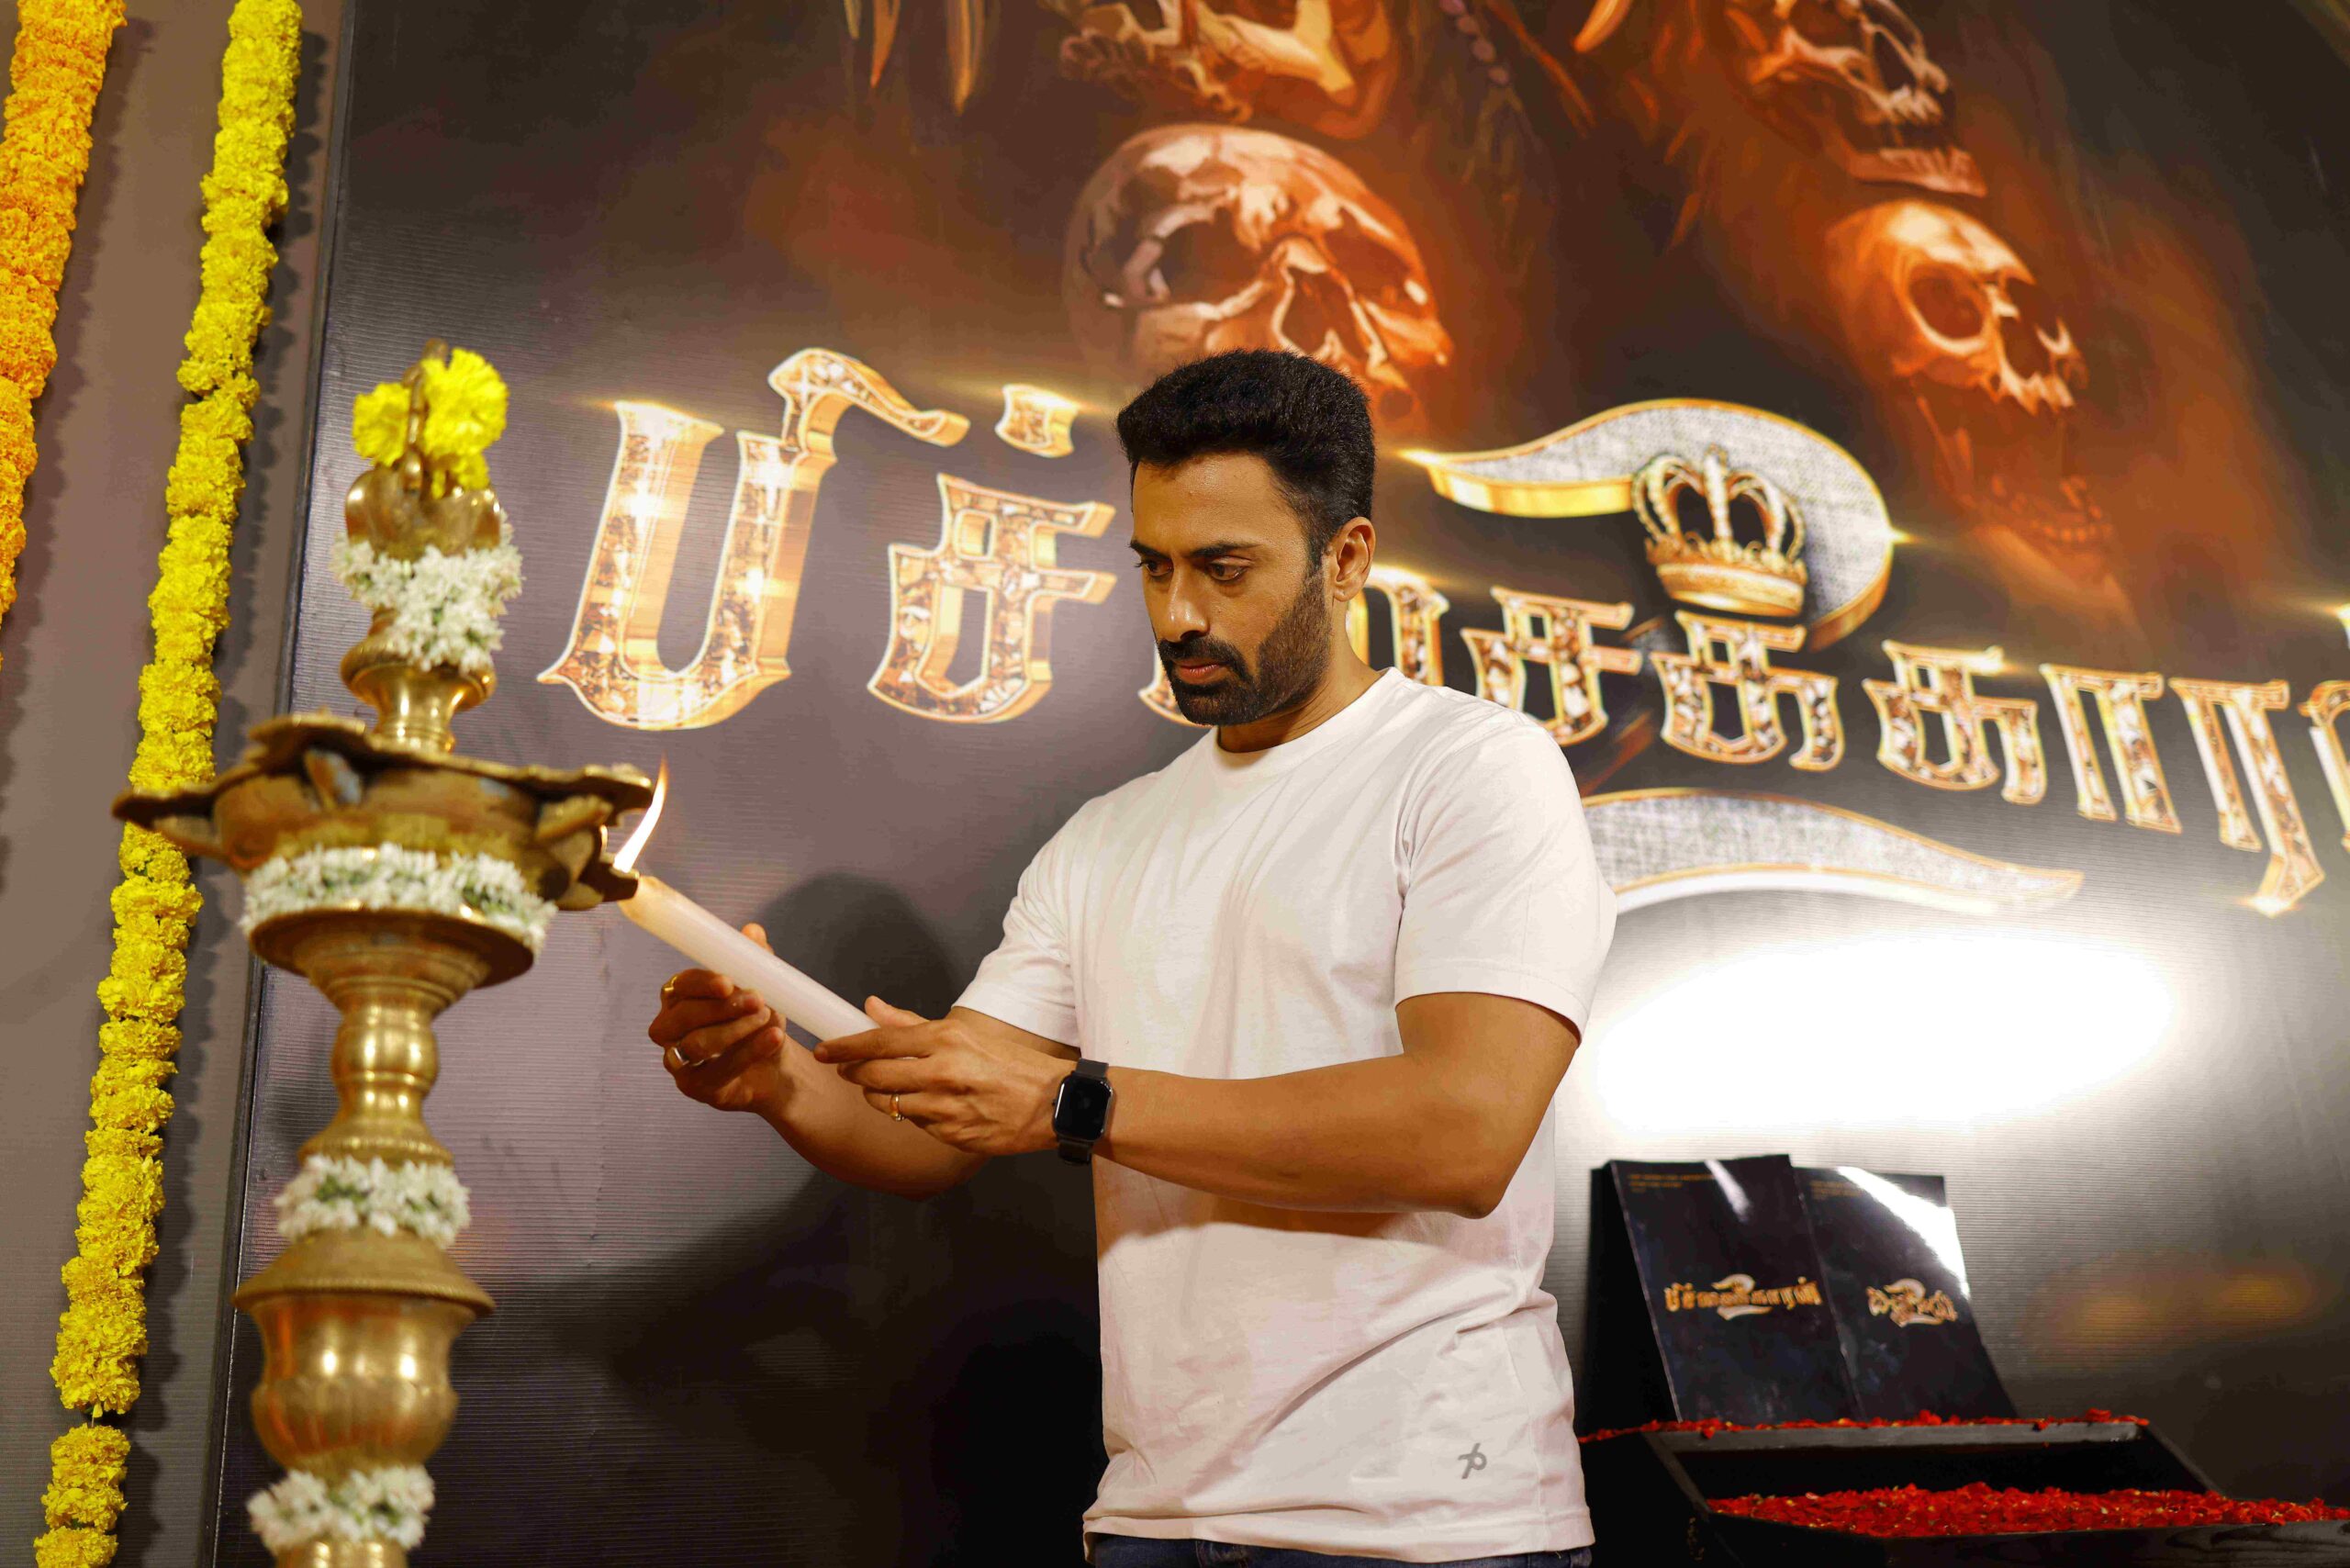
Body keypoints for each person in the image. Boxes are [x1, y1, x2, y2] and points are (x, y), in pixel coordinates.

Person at [646, 349, 1615, 1566]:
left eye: (1223, 569)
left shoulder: (1471, 769)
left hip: (1431, 1519)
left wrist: (1073, 1102)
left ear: (1348, 557)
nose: (1177, 616)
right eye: (1154, 566)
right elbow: (938, 1127)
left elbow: (1465, 1133)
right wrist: (779, 1080)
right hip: (1154, 1518)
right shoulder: (1104, 839)